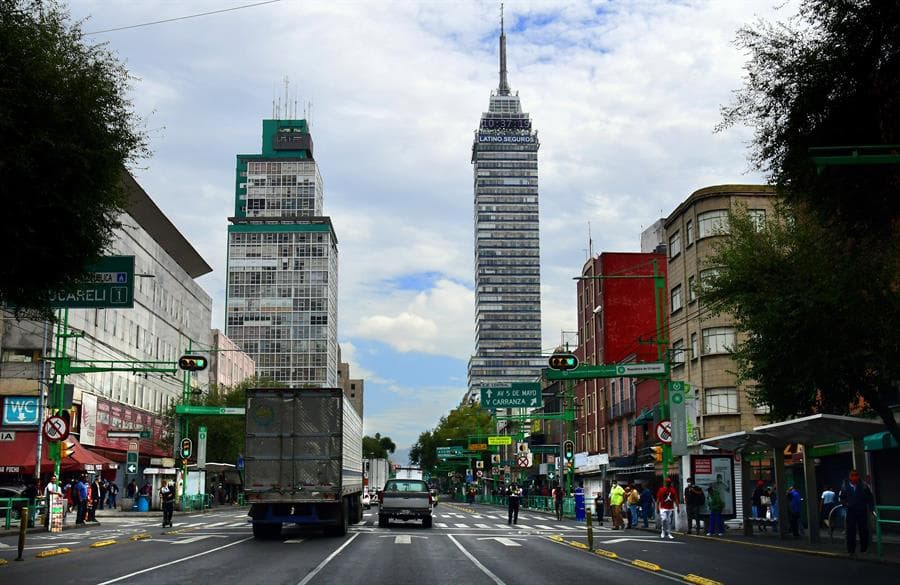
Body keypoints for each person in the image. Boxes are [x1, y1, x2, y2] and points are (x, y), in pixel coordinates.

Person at [838, 469, 875, 556]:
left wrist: (871, 508)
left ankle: (864, 548)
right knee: (850, 530)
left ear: (858, 477)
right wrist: (845, 504)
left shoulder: (863, 485)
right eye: (852, 475)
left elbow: (870, 497)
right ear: (849, 477)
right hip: (851, 511)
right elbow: (842, 497)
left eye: (856, 475)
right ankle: (851, 550)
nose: (854, 477)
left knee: (863, 529)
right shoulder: (845, 486)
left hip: (862, 510)